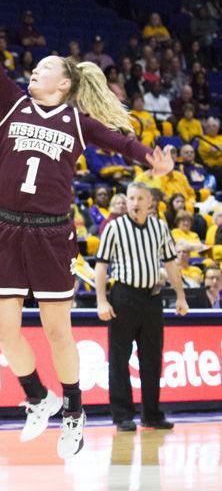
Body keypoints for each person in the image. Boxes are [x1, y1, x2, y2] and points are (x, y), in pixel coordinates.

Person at [0, 0, 176, 458]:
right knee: (1, 330)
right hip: (5, 227)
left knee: (58, 332)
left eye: (42, 70)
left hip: (52, 232)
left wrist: (152, 158)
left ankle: (76, 411)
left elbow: (122, 144)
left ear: (64, 83)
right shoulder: (12, 100)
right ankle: (38, 398)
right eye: (33, 70)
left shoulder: (78, 121)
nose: (32, 73)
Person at [95, 181, 187, 431]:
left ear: (150, 203)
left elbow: (170, 264)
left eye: (139, 199)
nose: (134, 203)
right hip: (123, 296)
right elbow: (101, 265)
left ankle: (152, 414)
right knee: (119, 358)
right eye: (131, 198)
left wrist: (180, 296)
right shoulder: (114, 228)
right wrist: (101, 300)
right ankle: (123, 415)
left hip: (152, 298)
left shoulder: (160, 227)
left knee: (152, 358)